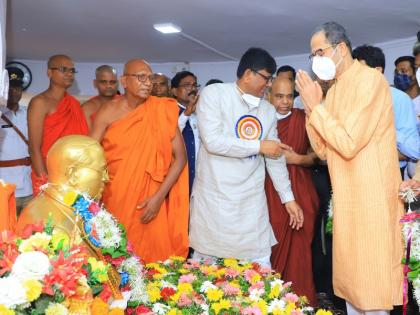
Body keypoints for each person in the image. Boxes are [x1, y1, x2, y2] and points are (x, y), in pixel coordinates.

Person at [296, 21, 404, 314]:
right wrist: (311, 108)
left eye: (319, 52)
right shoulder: (335, 90)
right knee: (352, 291)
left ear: (340, 49)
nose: (316, 60)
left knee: (372, 291)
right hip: (347, 200)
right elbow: (322, 150)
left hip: (371, 201)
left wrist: (316, 108)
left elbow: (348, 142)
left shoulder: (370, 81)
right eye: (312, 55)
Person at [189, 47, 303, 268]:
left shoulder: (268, 110)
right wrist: (260, 146)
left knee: (259, 267)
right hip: (216, 200)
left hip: (251, 204)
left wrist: (288, 198)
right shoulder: (215, 94)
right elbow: (213, 141)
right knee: (207, 272)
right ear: (249, 73)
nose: (268, 84)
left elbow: (275, 156)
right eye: (266, 78)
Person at [90, 59, 189, 263]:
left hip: (151, 199)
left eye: (150, 78)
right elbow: (89, 155)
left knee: (153, 261)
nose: (147, 83)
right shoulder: (108, 111)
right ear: (124, 81)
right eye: (140, 77)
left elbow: (180, 159)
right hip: (116, 195)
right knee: (117, 258)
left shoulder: (161, 110)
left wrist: (159, 198)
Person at [16, 135, 123, 306]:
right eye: (100, 170)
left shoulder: (74, 207)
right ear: (73, 174)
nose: (106, 178)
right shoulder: (48, 224)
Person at [265, 77, 319, 304]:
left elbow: (319, 156)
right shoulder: (260, 120)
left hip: (301, 189)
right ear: (268, 95)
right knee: (272, 245)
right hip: (268, 191)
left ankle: (300, 300)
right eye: (279, 96)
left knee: (300, 249)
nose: (285, 102)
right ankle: (270, 300)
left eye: (290, 96)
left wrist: (297, 158)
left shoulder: (304, 118)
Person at [352, 45, 420, 176]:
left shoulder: (399, 99)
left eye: (360, 71)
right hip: (355, 173)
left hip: (390, 173)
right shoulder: (349, 99)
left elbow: (414, 150)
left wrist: (386, 127)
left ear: (377, 71)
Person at [27, 54, 88, 196]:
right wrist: (46, 184)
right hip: (48, 177)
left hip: (74, 177)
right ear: (49, 73)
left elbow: (82, 143)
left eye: (72, 71)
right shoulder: (40, 102)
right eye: (63, 69)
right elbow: (34, 149)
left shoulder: (74, 104)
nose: (69, 74)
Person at [0, 67, 32, 215]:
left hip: (30, 186)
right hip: (5, 187)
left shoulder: (30, 113)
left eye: (18, 87)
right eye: (11, 87)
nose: (14, 91)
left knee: (32, 232)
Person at [171, 71, 200, 195]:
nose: (192, 89)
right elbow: (169, 136)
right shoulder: (168, 110)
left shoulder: (202, 111)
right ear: (175, 91)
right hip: (178, 176)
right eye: (187, 85)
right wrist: (186, 114)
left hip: (200, 177)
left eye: (194, 85)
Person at [82, 65, 119, 130]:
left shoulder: (126, 103)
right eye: (103, 82)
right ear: (95, 83)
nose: (108, 86)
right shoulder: (87, 108)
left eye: (112, 82)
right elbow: (89, 138)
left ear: (117, 84)